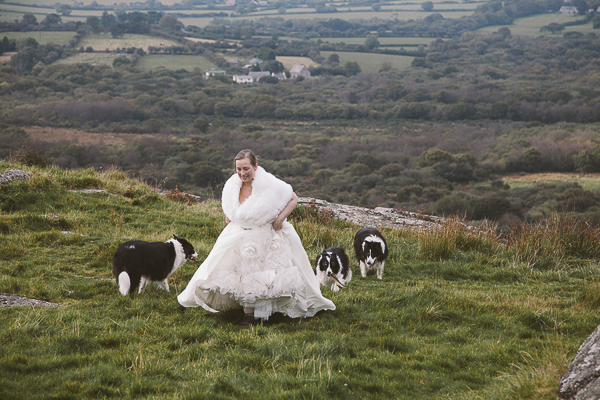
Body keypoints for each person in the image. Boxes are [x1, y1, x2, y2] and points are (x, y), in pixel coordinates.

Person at [178, 149, 335, 326]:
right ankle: (246, 310)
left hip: (264, 234)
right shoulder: (232, 185)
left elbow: (293, 198)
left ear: (255, 166)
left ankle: (254, 315)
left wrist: (279, 219)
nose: (242, 173)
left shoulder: (269, 183)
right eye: (238, 169)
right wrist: (229, 215)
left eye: (246, 169)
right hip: (238, 233)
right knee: (235, 272)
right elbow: (231, 207)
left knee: (259, 274)